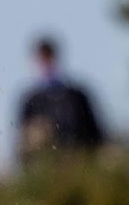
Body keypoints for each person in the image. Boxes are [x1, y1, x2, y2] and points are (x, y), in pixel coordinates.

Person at [18, 35, 105, 164]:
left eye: (49, 58)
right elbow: (23, 142)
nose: (46, 65)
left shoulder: (76, 96)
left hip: (78, 161)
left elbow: (96, 134)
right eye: (43, 60)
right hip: (45, 164)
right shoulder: (31, 100)